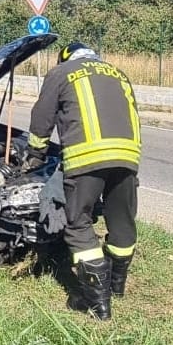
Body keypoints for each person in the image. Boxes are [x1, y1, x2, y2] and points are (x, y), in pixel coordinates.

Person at [23, 41, 142, 321]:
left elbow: (42, 118)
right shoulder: (117, 73)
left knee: (78, 223)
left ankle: (96, 303)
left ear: (64, 57)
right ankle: (116, 287)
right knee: (122, 221)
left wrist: (35, 155)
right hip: (127, 158)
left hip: (85, 158)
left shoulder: (62, 72)